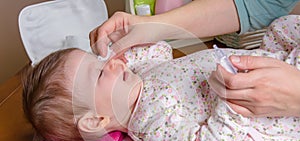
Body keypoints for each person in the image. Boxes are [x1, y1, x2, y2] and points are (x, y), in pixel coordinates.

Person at [23, 15, 300, 141]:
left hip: (268, 59)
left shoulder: (139, 76)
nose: (108, 65)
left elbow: (161, 52)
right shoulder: (152, 125)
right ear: (95, 121)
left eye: (99, 61)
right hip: (266, 105)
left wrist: (128, 49)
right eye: (97, 73)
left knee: (283, 26)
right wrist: (230, 105)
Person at [89, 0, 300, 118]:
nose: (112, 63)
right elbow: (261, 4)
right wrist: (155, 26)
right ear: (95, 121)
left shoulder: (152, 113)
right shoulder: (149, 117)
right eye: (99, 70)